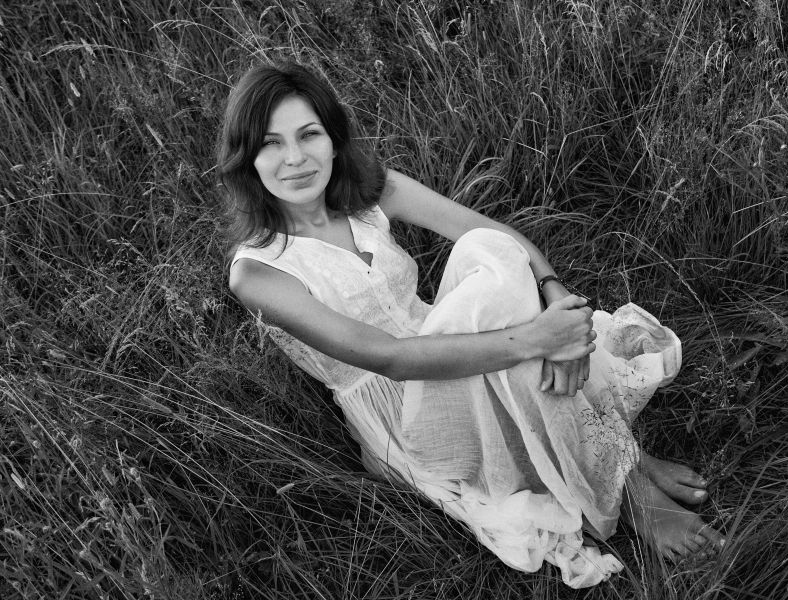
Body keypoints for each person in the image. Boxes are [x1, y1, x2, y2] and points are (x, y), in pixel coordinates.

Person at [218, 61, 725, 588]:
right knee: (522, 359)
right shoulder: (258, 272)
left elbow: (497, 237)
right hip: (404, 412)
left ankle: (620, 459)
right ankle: (632, 488)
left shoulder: (368, 195)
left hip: (449, 339)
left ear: (333, 137)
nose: (295, 158)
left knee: (485, 251)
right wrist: (538, 338)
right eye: (271, 143)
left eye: (309, 134)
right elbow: (390, 358)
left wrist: (556, 299)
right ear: (246, 156)